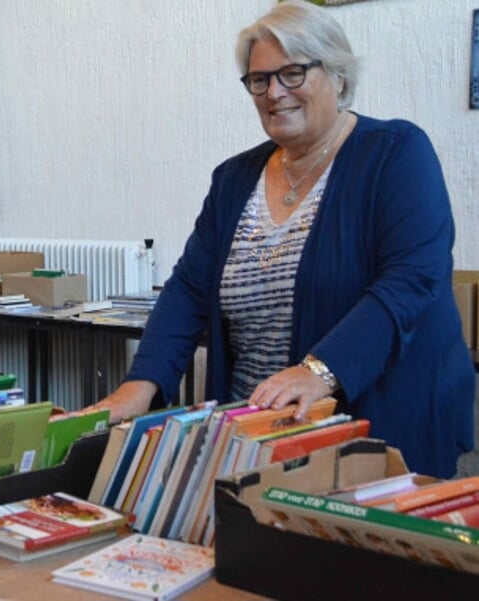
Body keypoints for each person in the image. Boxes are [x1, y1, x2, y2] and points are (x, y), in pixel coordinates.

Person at [91, 0, 473, 478]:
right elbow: (188, 290)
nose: (274, 92)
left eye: (292, 73)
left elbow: (412, 281)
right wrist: (139, 385)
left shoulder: (395, 153)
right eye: (259, 80)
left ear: (337, 75)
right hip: (259, 439)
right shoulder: (233, 179)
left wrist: (320, 370)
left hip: (379, 435)